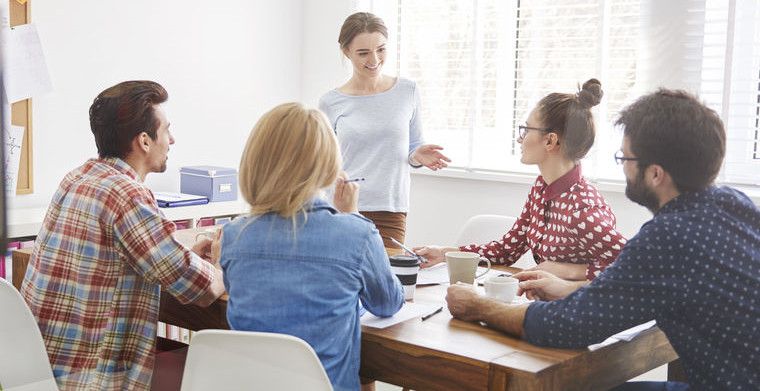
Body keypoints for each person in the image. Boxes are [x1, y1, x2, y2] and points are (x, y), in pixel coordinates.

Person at [446, 89, 760, 390]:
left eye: (625, 159)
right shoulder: (737, 204)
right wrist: (571, 287)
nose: (622, 167)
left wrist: (480, 307)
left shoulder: (666, 239)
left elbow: (567, 326)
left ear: (655, 174)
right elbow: (639, 289)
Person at [20, 80, 225, 390]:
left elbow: (132, 260)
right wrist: (223, 265)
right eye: (167, 130)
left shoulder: (76, 178)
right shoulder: (127, 195)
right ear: (144, 141)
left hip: (42, 370)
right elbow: (204, 290)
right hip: (89, 378)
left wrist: (187, 256)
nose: (172, 139)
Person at [218, 102, 404, 391]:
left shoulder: (234, 235)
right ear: (329, 167)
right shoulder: (357, 234)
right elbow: (387, 303)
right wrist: (351, 216)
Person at [415, 79, 627, 281]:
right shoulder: (541, 189)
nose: (519, 138)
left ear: (550, 141)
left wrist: (569, 270)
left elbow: (637, 269)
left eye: (526, 130)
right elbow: (508, 249)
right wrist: (445, 253)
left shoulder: (584, 210)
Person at [319, 12, 451, 249]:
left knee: (385, 279)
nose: (374, 59)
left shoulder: (407, 91)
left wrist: (417, 154)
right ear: (346, 52)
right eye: (363, 53)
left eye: (381, 49)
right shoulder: (331, 102)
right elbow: (324, 164)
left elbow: (413, 146)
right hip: (341, 208)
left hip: (390, 208)